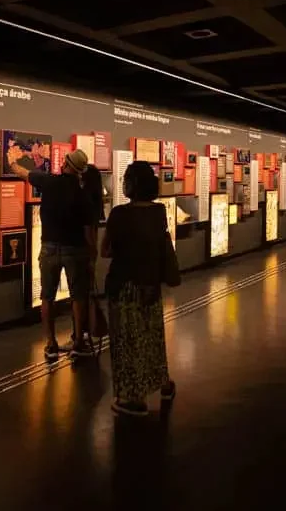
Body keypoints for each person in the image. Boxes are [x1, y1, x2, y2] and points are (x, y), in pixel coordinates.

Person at [101, 161, 179, 416]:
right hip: (150, 286)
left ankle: (133, 399)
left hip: (125, 287)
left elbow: (106, 250)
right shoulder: (158, 212)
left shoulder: (120, 214)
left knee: (127, 343)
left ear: (132, 184)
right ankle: (163, 383)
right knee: (152, 338)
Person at [11, 149, 95, 360]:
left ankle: (50, 345)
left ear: (65, 164)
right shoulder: (83, 194)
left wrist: (11, 161)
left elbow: (22, 172)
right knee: (78, 296)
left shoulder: (48, 182)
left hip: (48, 247)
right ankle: (77, 343)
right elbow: (88, 232)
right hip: (75, 249)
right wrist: (91, 257)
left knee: (47, 297)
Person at [81, 164, 106, 340]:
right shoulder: (96, 201)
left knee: (83, 294)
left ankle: (84, 332)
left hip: (83, 251)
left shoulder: (85, 200)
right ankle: (88, 329)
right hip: (91, 252)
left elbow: (88, 231)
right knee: (87, 291)